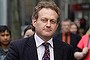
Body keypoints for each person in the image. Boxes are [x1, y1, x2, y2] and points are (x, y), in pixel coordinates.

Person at [5, 0, 73, 60]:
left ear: (57, 25)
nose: (48, 25)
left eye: (52, 21)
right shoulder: (17, 47)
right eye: (44, 20)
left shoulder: (66, 50)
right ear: (34, 22)